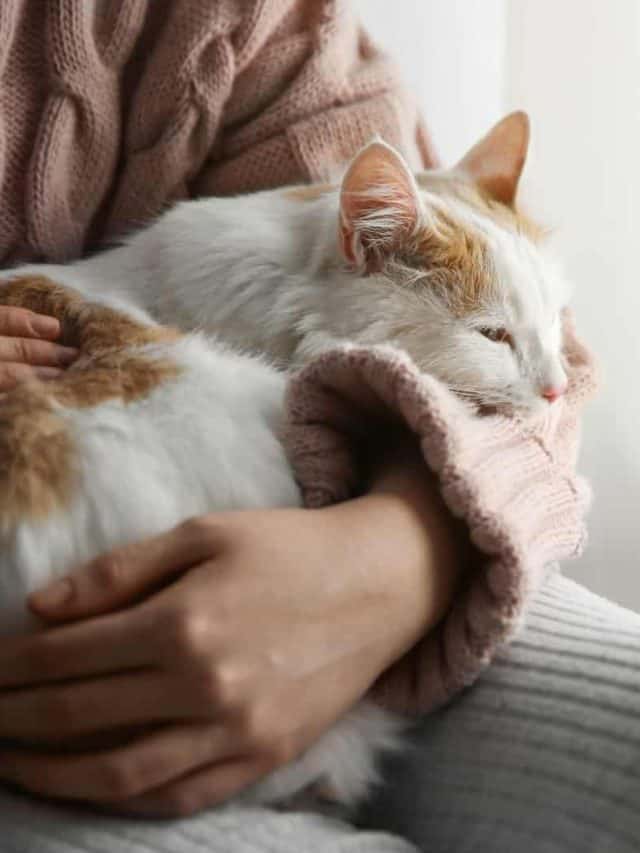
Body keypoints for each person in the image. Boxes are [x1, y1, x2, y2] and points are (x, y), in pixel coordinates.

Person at [0, 3, 637, 852]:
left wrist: (404, 551)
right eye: (497, 342)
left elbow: (553, 385)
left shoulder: (259, 32)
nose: (553, 382)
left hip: (393, 563)